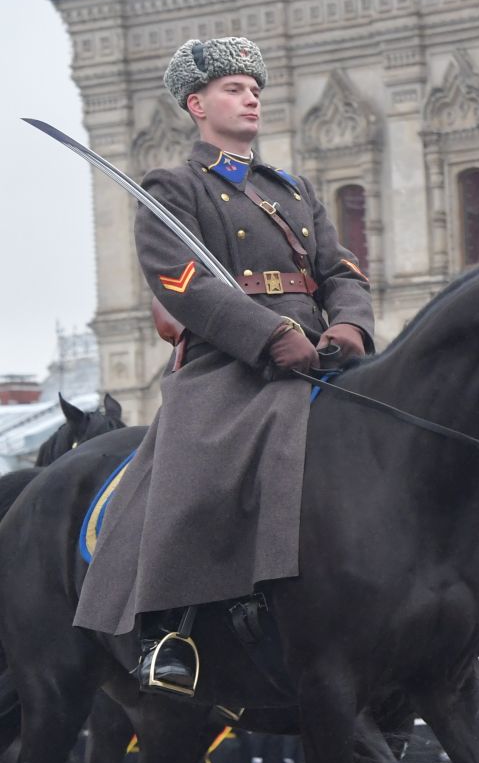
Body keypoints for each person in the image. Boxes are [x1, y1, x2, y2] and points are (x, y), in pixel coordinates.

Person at [73, 37, 375, 692]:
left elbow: (341, 269)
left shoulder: (291, 190)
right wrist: (268, 336)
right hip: (228, 359)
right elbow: (183, 282)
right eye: (234, 89)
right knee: (197, 467)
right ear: (197, 104)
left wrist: (349, 324)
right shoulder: (172, 188)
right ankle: (170, 629)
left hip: (320, 352)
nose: (250, 98)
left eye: (254, 89)